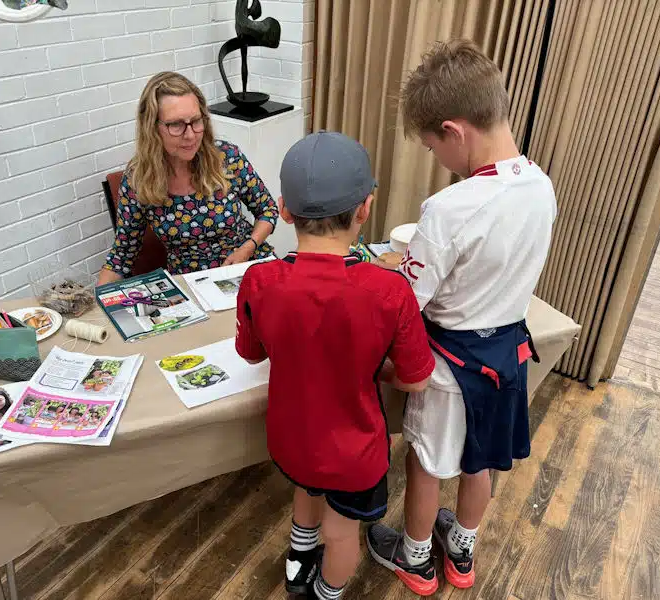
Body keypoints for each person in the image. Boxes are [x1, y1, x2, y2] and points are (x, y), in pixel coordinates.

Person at [366, 39, 556, 595]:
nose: (438, 160)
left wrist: (392, 270)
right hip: (507, 357)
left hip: (450, 366)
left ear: (454, 130)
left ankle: (417, 557)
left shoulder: (450, 207)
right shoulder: (540, 187)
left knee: (426, 462)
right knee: (481, 462)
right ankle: (463, 553)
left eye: (432, 148)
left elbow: (408, 299)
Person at [235, 131, 435, 600]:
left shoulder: (259, 279)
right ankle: (325, 593)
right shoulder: (389, 290)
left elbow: (251, 353)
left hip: (291, 438)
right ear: (365, 208)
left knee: (305, 491)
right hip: (352, 453)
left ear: (284, 210)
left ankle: (296, 567)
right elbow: (417, 378)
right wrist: (376, 368)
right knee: (342, 534)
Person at [98, 71, 278, 282]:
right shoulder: (138, 181)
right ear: (152, 127)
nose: (191, 135)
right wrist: (99, 302)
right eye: (176, 125)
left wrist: (248, 248)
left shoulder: (227, 158)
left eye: (196, 121)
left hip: (246, 266)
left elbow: (268, 210)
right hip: (193, 286)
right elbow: (121, 258)